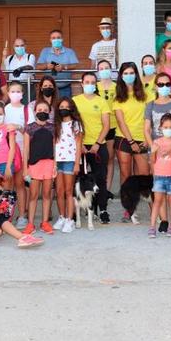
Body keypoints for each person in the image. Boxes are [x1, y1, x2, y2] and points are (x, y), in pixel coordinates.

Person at [73, 72, 111, 224]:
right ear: (81, 84)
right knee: (80, 180)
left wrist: (97, 143)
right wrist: (79, 144)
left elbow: (107, 125)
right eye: (86, 82)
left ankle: (102, 210)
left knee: (100, 179)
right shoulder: (75, 101)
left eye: (92, 82)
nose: (89, 84)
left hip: (98, 145)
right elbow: (72, 124)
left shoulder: (101, 101)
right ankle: (78, 211)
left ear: (96, 84)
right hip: (80, 144)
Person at [112, 62, 150, 195]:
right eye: (126, 73)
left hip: (143, 139)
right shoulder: (118, 98)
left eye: (131, 73)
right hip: (124, 139)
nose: (129, 76)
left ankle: (153, 211)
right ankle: (128, 208)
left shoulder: (145, 94)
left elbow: (149, 118)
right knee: (125, 174)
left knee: (144, 174)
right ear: (121, 76)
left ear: (136, 75)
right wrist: (131, 142)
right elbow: (121, 122)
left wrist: (147, 138)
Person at [23, 100, 56, 235]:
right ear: (35, 111)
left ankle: (45, 222)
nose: (42, 112)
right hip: (34, 165)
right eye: (39, 109)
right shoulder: (29, 128)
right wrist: (26, 168)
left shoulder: (53, 128)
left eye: (45, 110)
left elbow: (55, 147)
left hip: (49, 164)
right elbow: (26, 149)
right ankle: (30, 224)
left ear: (49, 112)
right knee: (33, 195)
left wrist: (55, 165)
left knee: (47, 194)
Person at [52, 98, 83, 233]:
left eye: (66, 106)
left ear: (71, 108)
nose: (63, 109)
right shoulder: (56, 124)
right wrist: (53, 162)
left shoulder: (76, 124)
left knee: (68, 191)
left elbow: (78, 144)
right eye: (61, 106)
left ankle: (70, 219)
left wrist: (77, 163)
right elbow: (54, 144)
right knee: (59, 191)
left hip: (70, 160)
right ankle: (62, 216)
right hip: (58, 161)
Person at [148, 113, 171, 238]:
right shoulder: (156, 142)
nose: (168, 129)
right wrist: (153, 152)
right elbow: (152, 160)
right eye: (165, 127)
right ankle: (152, 227)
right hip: (159, 176)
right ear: (160, 128)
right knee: (157, 201)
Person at [4, 81, 30, 228]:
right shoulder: (5, 109)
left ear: (22, 93)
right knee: (8, 185)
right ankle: (6, 215)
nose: (15, 94)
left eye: (18, 91)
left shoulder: (26, 110)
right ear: (8, 94)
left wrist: (19, 127)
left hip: (22, 150)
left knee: (20, 184)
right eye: (12, 91)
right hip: (8, 152)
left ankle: (22, 215)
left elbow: (31, 130)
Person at [144, 72, 171, 146]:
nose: (164, 87)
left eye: (167, 84)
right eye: (161, 85)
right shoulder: (150, 105)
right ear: (156, 87)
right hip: (156, 146)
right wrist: (152, 147)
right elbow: (147, 129)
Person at [96, 60, 118, 194]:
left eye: (106, 68)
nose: (104, 70)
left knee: (109, 158)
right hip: (97, 127)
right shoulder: (94, 86)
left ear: (111, 69)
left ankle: (107, 189)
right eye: (101, 68)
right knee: (98, 159)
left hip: (113, 126)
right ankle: (97, 187)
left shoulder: (117, 87)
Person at [37, 29, 78, 98]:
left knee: (65, 107)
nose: (56, 40)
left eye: (58, 38)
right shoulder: (45, 51)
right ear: (50, 40)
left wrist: (64, 67)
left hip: (65, 87)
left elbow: (75, 65)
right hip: (49, 88)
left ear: (62, 39)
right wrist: (47, 66)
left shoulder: (69, 51)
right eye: (53, 38)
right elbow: (38, 66)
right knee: (49, 108)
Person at [3, 37, 36, 102]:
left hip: (27, 87)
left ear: (25, 46)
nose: (19, 47)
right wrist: (4, 56)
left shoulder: (30, 56)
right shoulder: (10, 58)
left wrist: (20, 69)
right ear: (13, 47)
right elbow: (3, 71)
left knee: (27, 109)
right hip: (13, 87)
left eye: (22, 45)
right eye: (17, 46)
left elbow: (30, 66)